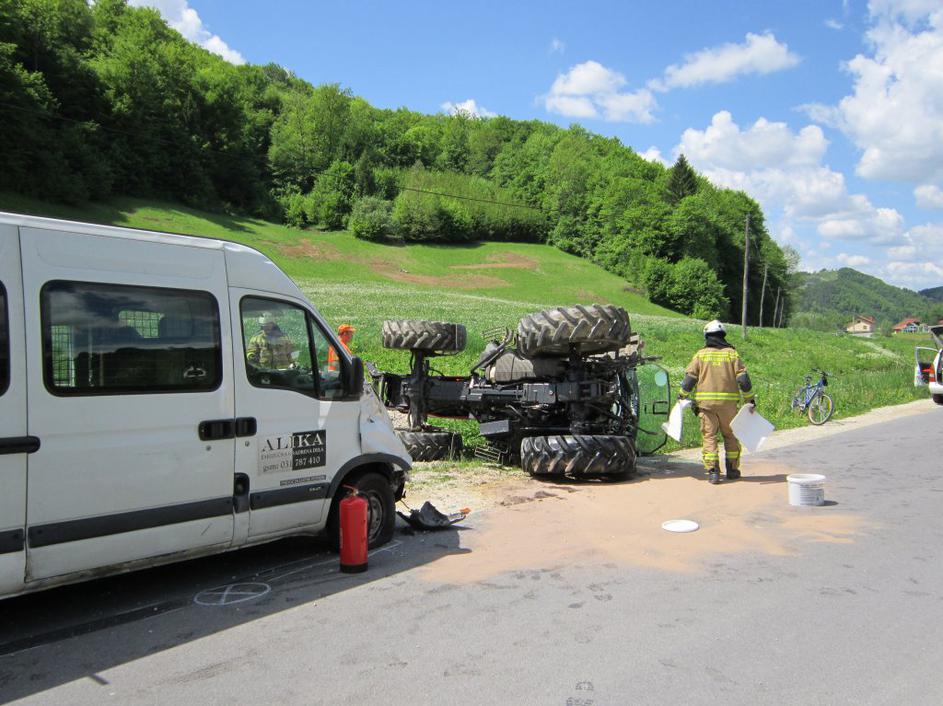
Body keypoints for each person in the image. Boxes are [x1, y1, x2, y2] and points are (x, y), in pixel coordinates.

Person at [678, 320, 756, 485]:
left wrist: (681, 396)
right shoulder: (732, 354)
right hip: (729, 406)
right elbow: (744, 380)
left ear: (707, 336)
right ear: (723, 335)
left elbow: (690, 379)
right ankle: (732, 470)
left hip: (706, 406)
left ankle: (713, 472)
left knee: (709, 437)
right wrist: (749, 400)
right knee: (731, 436)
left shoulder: (701, 355)